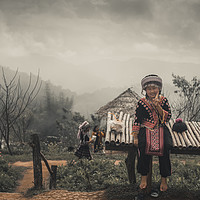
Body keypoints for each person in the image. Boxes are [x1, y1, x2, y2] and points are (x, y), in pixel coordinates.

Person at [132, 74, 172, 194]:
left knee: (166, 146)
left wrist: (158, 106)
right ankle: (144, 177)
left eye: (154, 88)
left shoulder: (164, 101)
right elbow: (137, 119)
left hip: (161, 127)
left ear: (159, 88)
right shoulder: (141, 102)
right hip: (146, 128)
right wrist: (135, 136)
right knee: (143, 146)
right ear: (145, 90)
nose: (152, 91)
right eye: (149, 89)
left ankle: (164, 179)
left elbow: (167, 117)